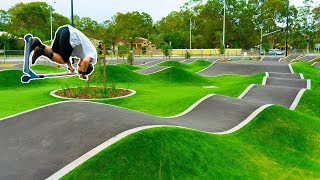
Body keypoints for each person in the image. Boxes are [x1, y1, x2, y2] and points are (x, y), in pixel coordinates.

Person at [31, 25, 97, 80]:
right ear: (86, 67)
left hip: (62, 30)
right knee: (62, 60)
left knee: (55, 53)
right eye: (80, 67)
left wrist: (70, 66)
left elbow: (65, 56)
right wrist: (84, 74)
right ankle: (41, 51)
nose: (78, 65)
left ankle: (38, 44)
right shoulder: (92, 57)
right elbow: (85, 62)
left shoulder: (81, 53)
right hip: (70, 36)